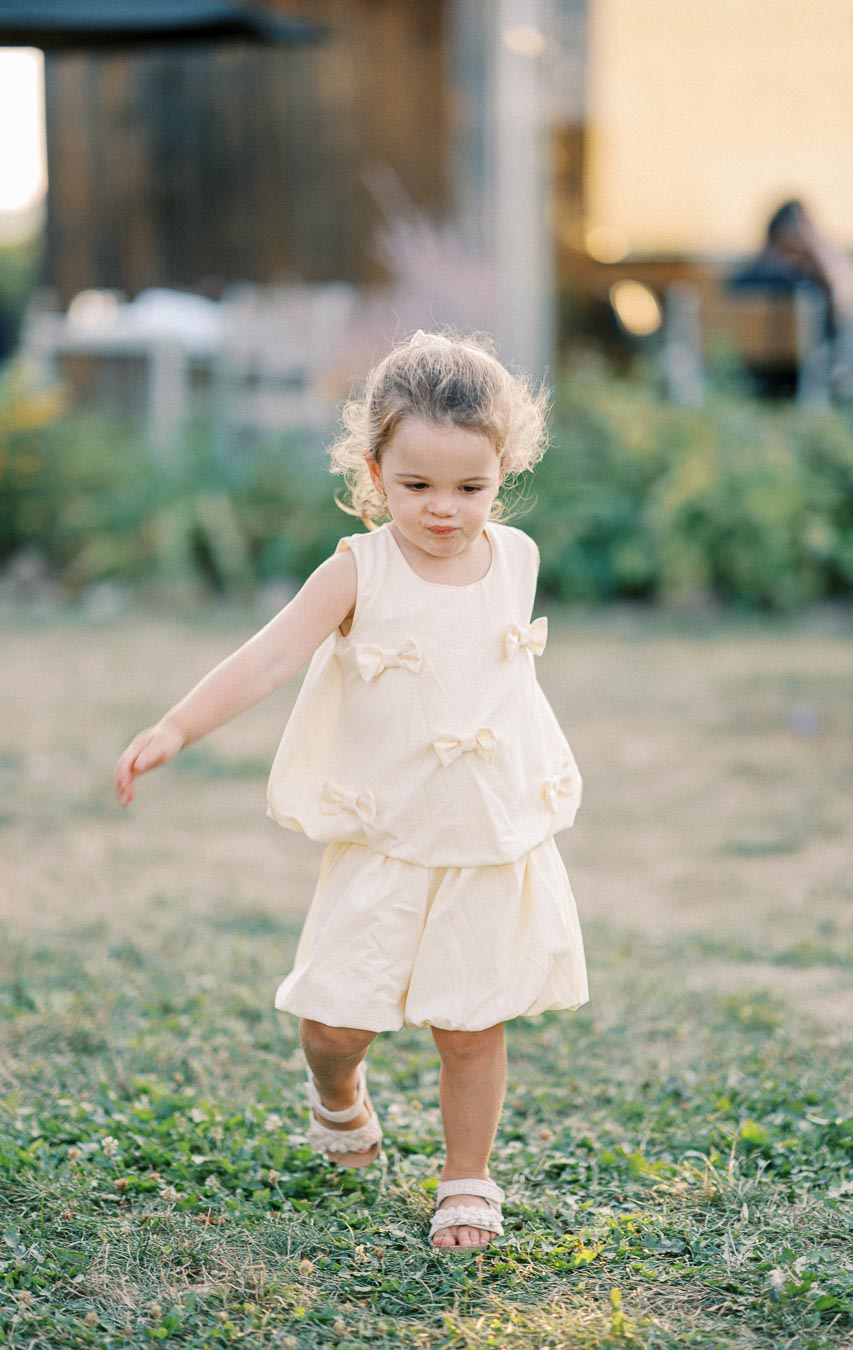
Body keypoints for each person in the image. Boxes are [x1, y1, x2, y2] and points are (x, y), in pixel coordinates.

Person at [114, 330, 589, 1251]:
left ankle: (467, 1179)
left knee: (471, 1022)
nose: (444, 510)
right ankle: (338, 1095)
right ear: (375, 473)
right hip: (385, 836)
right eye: (416, 487)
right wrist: (175, 726)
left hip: (485, 840)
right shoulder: (358, 570)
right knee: (333, 1022)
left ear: (504, 473)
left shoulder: (516, 559)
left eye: (469, 487)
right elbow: (269, 656)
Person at [729, 199, 853, 398]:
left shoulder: (748, 276)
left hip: (751, 376)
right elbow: (851, 302)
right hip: (798, 377)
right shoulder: (801, 282)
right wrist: (818, 250)